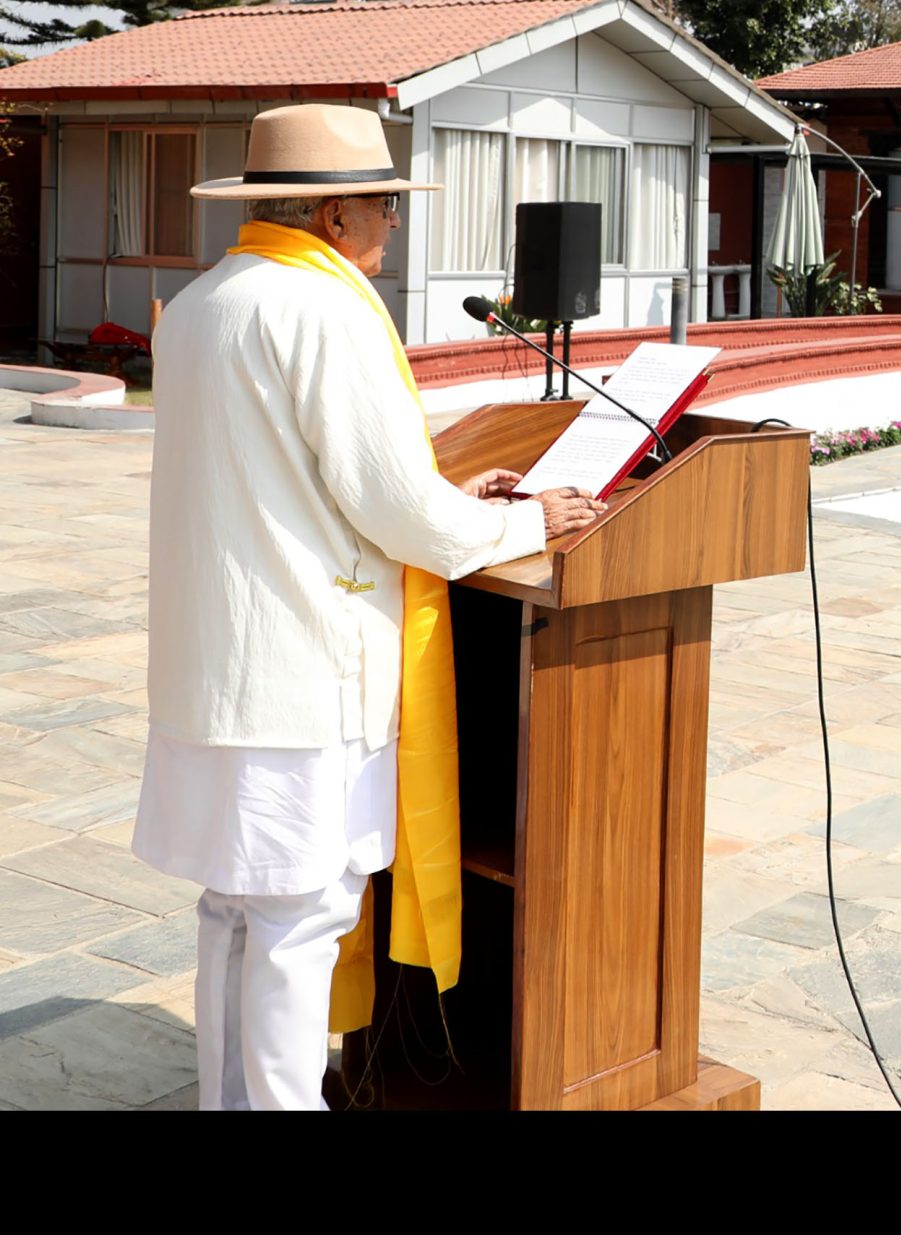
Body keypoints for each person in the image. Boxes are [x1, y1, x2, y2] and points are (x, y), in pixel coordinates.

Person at [140, 104, 604, 1110]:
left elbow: (302, 477)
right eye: (385, 209)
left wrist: (449, 497)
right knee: (299, 918)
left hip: (216, 662)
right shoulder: (326, 308)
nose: (392, 230)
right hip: (303, 666)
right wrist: (529, 521)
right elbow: (392, 508)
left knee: (236, 907)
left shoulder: (210, 297)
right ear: (337, 211)